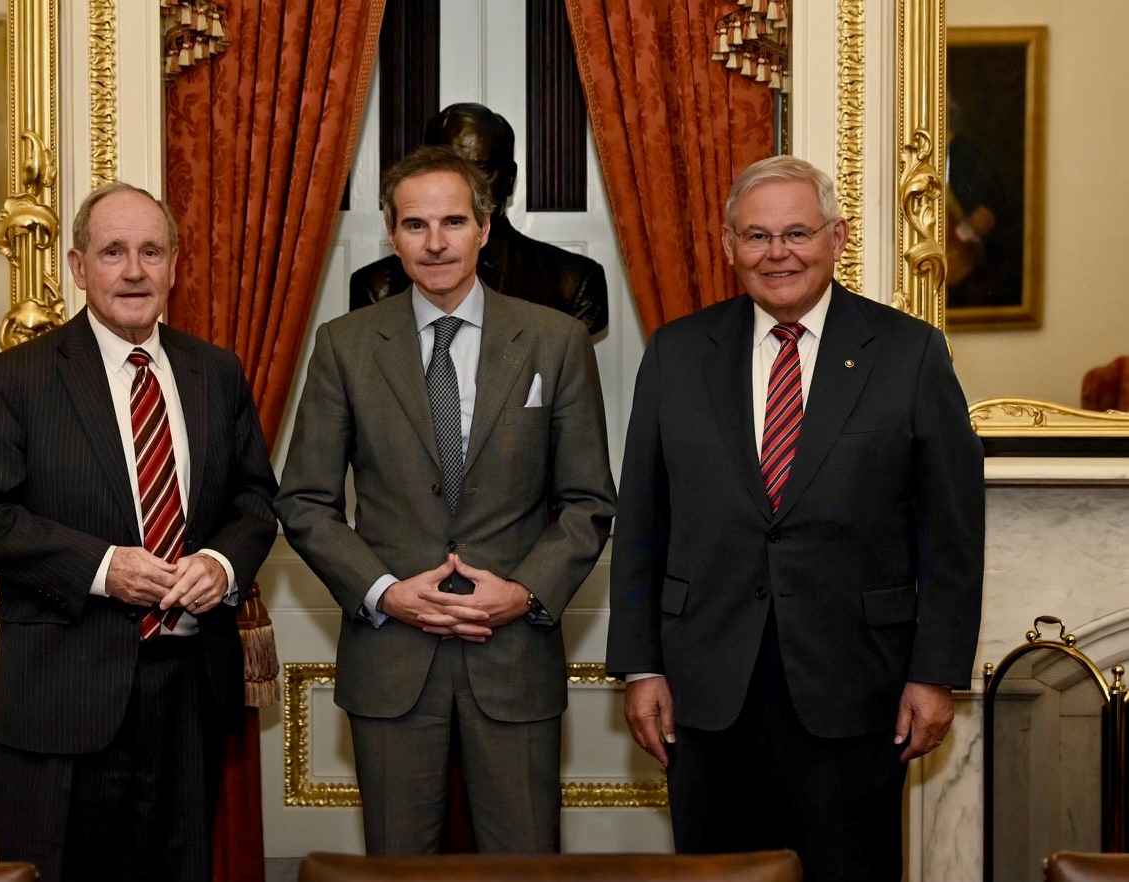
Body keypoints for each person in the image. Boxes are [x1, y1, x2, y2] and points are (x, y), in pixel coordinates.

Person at [606, 156, 984, 882]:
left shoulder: (908, 353)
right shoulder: (678, 353)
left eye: (797, 233)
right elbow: (643, 522)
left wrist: (937, 674)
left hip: (855, 687)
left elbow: (952, 532)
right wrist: (640, 665)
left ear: (837, 238)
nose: (777, 253)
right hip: (706, 689)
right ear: (728, 246)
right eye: (756, 236)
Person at [276, 146, 616, 855]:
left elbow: (588, 501)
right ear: (392, 234)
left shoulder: (554, 341)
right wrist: (384, 592)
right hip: (391, 656)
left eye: (454, 221)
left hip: (514, 653)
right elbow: (305, 500)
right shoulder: (343, 346)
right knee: (397, 870)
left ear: (486, 228)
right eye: (414, 224)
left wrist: (524, 592)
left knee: (525, 868)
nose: (435, 242)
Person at [0, 182, 278, 882]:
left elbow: (255, 500)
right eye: (113, 251)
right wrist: (102, 568)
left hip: (189, 690)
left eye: (151, 251)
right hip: (66, 693)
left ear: (175, 265)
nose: (134, 271)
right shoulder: (18, 379)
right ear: (77, 266)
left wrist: (219, 563)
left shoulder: (215, 372)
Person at [349, 103, 610, 336]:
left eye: (480, 168)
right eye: (448, 168)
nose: (463, 184)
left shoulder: (572, 282)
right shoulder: (376, 288)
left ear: (510, 177)